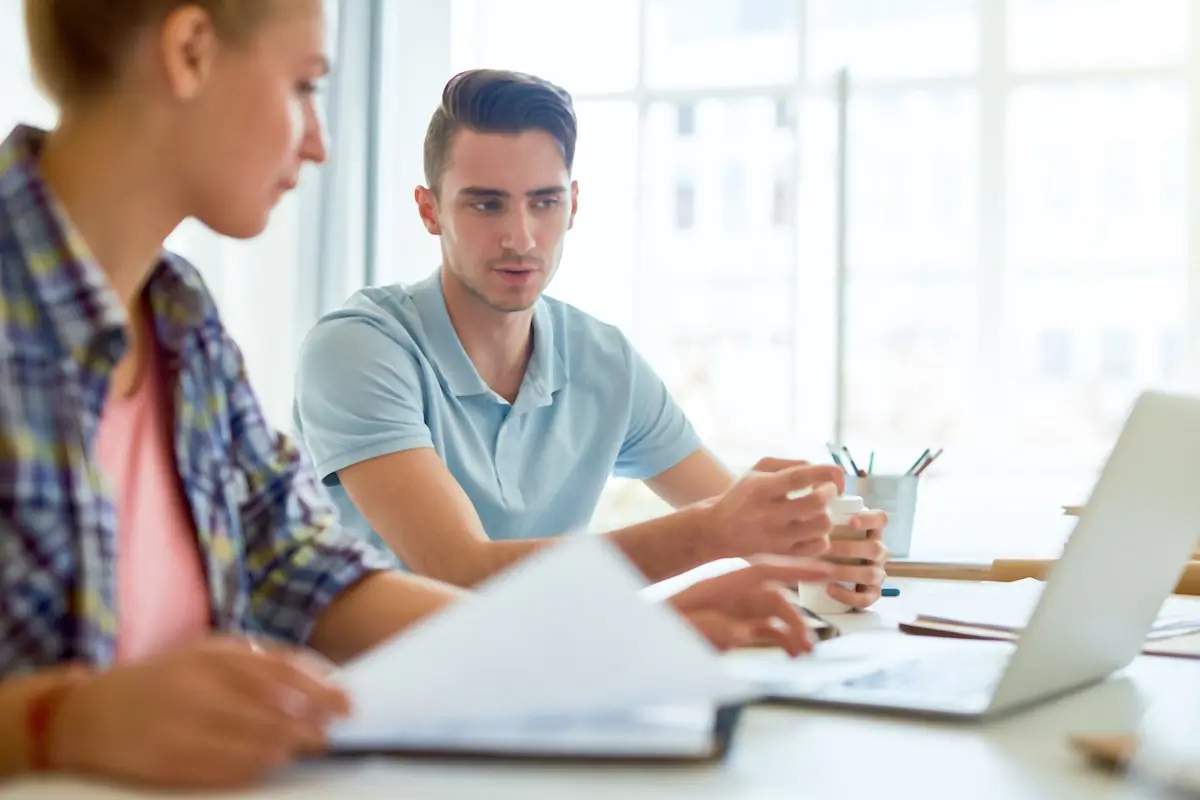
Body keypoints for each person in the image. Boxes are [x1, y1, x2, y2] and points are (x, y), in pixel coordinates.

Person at [0, 1, 842, 791]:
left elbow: (311, 576)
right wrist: (58, 723)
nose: (321, 142)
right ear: (189, 52)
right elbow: (458, 570)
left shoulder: (183, 323)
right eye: (303, 86)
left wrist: (610, 645)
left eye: (544, 202)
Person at [293, 69, 890, 606]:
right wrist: (716, 530)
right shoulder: (358, 350)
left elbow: (741, 523)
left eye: (544, 201)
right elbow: (460, 572)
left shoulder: (604, 361)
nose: (521, 237)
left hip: (545, 688)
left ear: (572, 205)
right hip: (367, 705)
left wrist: (826, 560)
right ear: (430, 211)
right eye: (486, 205)